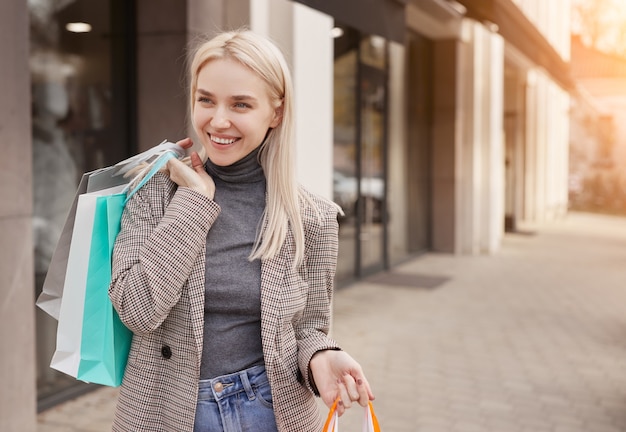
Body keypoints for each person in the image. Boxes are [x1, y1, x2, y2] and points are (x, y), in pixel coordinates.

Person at [109, 29, 374, 432]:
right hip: (165, 411)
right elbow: (137, 309)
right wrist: (194, 203)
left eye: (241, 104)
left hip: (269, 409)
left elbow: (308, 328)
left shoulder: (312, 218)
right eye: (206, 100)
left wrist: (321, 356)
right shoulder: (154, 193)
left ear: (276, 113)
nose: (218, 120)